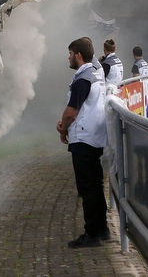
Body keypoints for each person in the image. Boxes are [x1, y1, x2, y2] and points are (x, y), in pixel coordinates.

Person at [57, 37, 109, 249]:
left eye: (70, 53)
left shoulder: (82, 79)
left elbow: (71, 112)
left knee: (87, 188)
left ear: (78, 55)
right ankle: (103, 229)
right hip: (95, 136)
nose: (68, 57)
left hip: (83, 138)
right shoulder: (96, 73)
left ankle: (92, 234)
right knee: (96, 186)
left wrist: (63, 127)